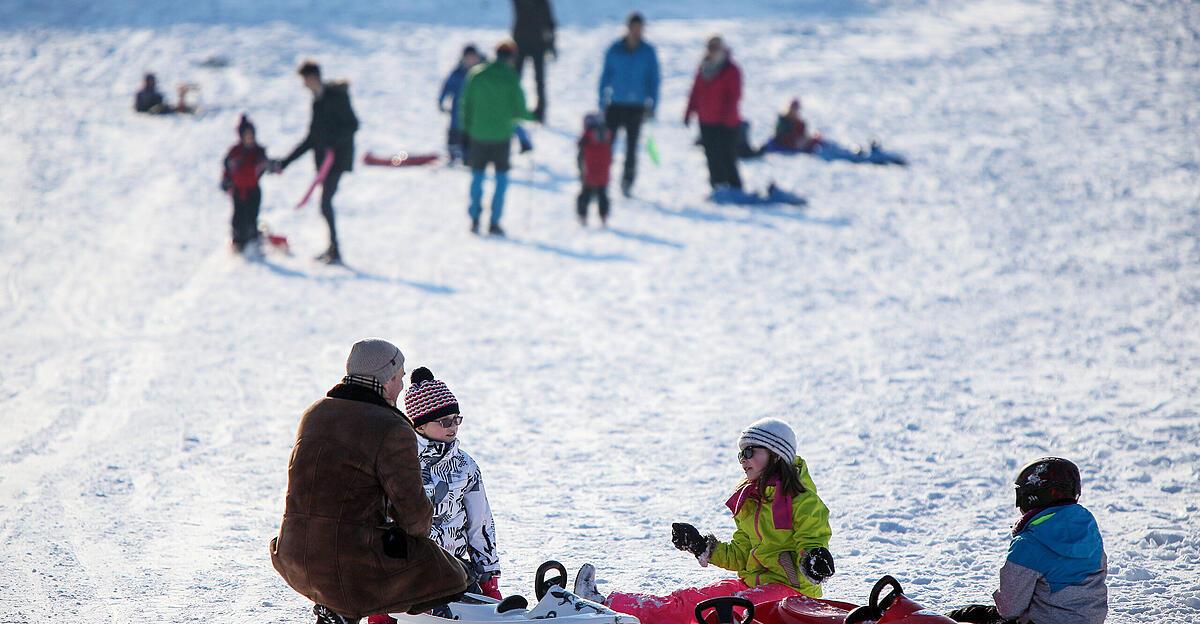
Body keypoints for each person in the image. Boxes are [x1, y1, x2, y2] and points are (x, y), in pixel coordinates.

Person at [269, 339, 471, 624]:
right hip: (348, 567)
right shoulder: (391, 426)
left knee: (344, 545)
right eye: (400, 377)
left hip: (292, 555)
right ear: (387, 379)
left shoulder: (313, 413)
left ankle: (336, 609)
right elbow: (415, 520)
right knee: (451, 574)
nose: (402, 386)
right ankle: (356, 608)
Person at [573, 418, 835, 624]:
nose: (743, 460)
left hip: (791, 596)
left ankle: (610, 613)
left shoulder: (803, 502)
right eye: (740, 454)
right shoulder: (751, 501)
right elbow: (742, 556)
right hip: (755, 586)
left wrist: (814, 559)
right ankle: (603, 605)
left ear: (777, 454)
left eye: (750, 451)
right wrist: (701, 546)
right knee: (689, 600)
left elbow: (812, 541)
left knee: (707, 611)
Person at [367, 367, 503, 624]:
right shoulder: (399, 463)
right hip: (406, 571)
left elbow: (480, 523)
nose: (453, 427)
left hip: (454, 567)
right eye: (444, 421)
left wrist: (488, 577)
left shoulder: (465, 466)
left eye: (456, 419)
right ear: (419, 424)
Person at [947, 457, 1108, 624]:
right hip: (1091, 620)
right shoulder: (1089, 532)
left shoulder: (1028, 543)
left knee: (966, 616)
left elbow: (1009, 609)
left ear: (1031, 496)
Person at [278, 60, 359, 264]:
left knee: (325, 203)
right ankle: (333, 248)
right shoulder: (317, 101)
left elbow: (352, 125)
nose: (303, 84)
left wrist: (332, 142)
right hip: (324, 162)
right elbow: (312, 138)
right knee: (325, 204)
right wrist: (285, 162)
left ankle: (335, 250)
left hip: (338, 160)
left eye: (304, 80)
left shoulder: (334, 97)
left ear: (312, 77)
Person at [460, 39, 536, 237]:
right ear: (511, 58)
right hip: (501, 137)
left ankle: (475, 217)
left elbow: (465, 104)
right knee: (501, 179)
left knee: (477, 177)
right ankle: (494, 221)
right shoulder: (511, 78)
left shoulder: (476, 74)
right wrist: (534, 115)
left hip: (478, 135)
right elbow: (520, 111)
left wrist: (466, 130)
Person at [598, 11, 660, 197]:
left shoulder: (648, 52)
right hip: (616, 104)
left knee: (632, 147)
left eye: (640, 29)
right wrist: (602, 101)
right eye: (634, 28)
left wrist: (653, 104)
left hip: (637, 106)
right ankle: (602, 179)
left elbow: (654, 80)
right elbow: (605, 76)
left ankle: (627, 182)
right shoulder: (615, 49)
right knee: (607, 146)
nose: (636, 32)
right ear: (628, 28)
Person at [684, 36, 743, 191]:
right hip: (706, 120)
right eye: (710, 48)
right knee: (711, 156)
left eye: (716, 47)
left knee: (727, 156)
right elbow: (695, 92)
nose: (713, 51)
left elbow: (734, 96)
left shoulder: (731, 69)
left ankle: (735, 188)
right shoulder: (703, 68)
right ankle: (717, 186)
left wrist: (726, 117)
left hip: (727, 123)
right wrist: (689, 111)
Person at [221, 115, 271, 253]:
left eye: (251, 135)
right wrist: (226, 181)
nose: (249, 137)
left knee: (251, 216)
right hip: (238, 190)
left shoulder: (259, 151)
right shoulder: (235, 151)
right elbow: (227, 168)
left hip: (253, 190)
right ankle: (238, 241)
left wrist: (269, 165)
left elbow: (265, 165)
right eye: (246, 135)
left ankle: (252, 239)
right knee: (238, 216)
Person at [510, 0, 555, 122]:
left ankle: (541, 111)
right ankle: (512, 107)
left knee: (539, 80)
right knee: (515, 78)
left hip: (538, 44)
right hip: (521, 43)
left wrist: (552, 44)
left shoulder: (543, 2)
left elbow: (550, 22)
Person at [439, 45, 484, 164]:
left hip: (476, 111)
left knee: (471, 133)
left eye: (473, 58)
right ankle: (452, 153)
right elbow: (447, 87)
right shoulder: (458, 73)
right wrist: (441, 101)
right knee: (455, 129)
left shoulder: (483, 74)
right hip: (458, 109)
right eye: (468, 58)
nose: (471, 61)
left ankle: (468, 156)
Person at [576, 112, 613, 227]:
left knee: (585, 194)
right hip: (603, 172)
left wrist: (580, 170)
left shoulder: (586, 137)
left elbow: (580, 155)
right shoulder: (607, 136)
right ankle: (604, 215)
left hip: (589, 172)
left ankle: (582, 215)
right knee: (602, 194)